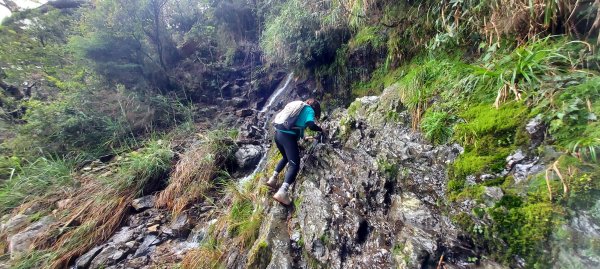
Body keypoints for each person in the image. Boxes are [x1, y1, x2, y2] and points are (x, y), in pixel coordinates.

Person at [265, 98, 324, 205]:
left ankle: (273, 179)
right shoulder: (309, 110)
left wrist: (305, 138)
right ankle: (282, 192)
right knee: (295, 164)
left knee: (286, 158)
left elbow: (297, 127)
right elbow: (311, 125)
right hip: (287, 137)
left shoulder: (298, 108)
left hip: (278, 134)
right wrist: (321, 130)